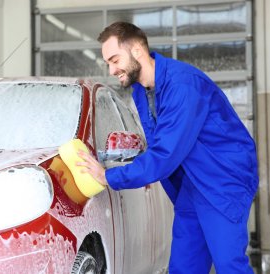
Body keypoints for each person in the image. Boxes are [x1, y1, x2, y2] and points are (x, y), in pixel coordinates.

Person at [77, 22, 259, 274]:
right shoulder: (142, 91)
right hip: (191, 185)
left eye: (115, 59)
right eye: (108, 62)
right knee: (184, 267)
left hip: (221, 181)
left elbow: (165, 154)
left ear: (137, 51)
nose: (111, 69)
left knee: (230, 266)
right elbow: (160, 145)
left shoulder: (182, 85)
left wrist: (108, 176)